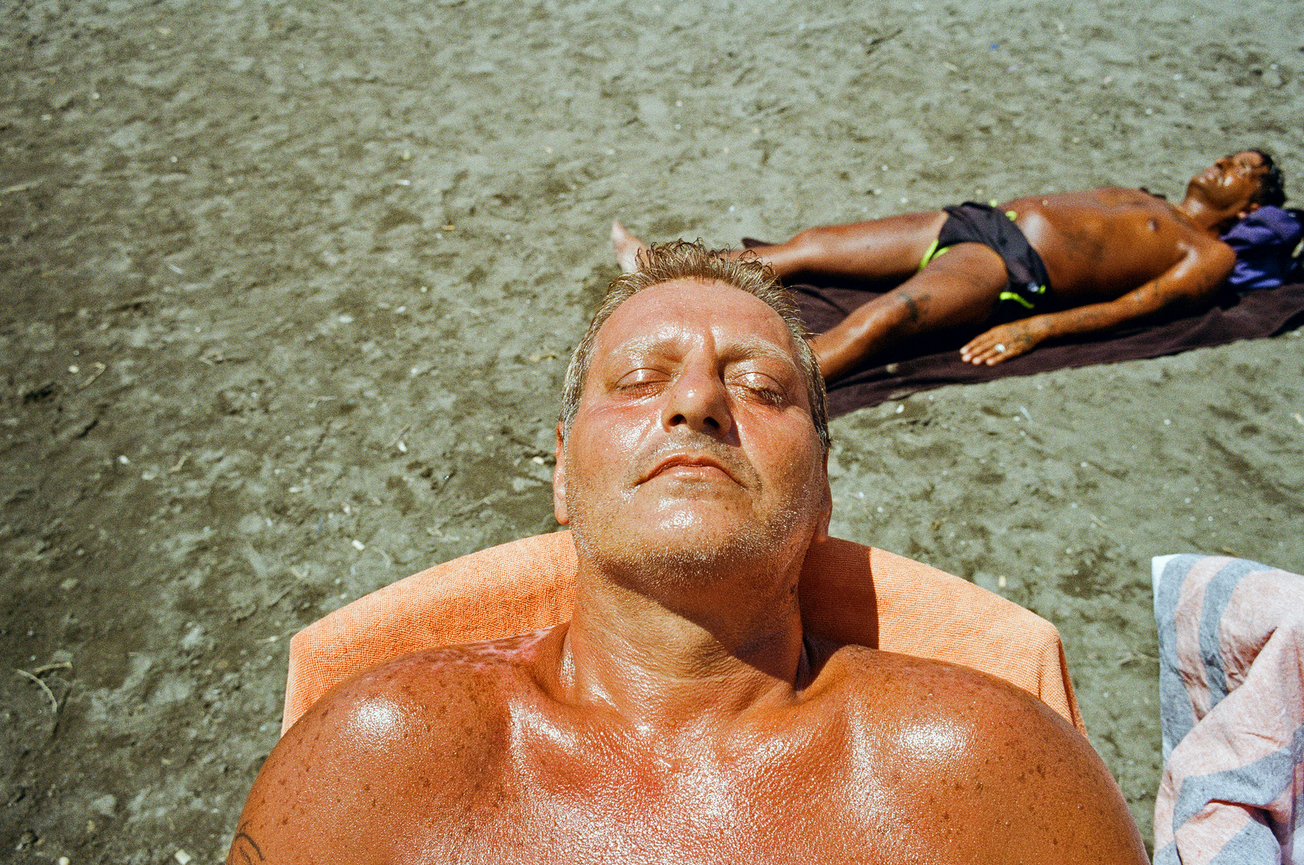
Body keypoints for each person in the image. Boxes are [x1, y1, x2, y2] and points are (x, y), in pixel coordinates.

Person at [228, 243, 1147, 864]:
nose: (697, 401)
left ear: (822, 493)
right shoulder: (383, 757)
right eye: (639, 379)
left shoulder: (986, 767)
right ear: (562, 474)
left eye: (762, 387)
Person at [613, 150, 1286, 382]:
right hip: (975, 221)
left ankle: (760, 383)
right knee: (807, 246)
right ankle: (661, 267)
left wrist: (1036, 329)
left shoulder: (1210, 252)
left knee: (883, 319)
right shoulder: (1151, 199)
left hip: (1008, 266)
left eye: (1242, 170)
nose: (1223, 165)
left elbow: (1136, 309)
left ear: (1252, 205)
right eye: (1228, 156)